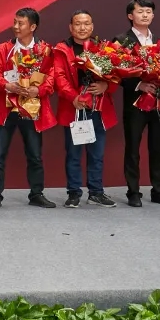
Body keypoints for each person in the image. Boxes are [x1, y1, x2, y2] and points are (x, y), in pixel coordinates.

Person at [0, 7, 58, 210]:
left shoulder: (45, 50)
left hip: (32, 109)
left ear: (32, 27)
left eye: (21, 23)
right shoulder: (4, 48)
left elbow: (52, 77)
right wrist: (7, 85)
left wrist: (38, 90)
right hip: (6, 109)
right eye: (14, 22)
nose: (15, 26)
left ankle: (36, 194)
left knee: (35, 155)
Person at [114, 0, 160, 207]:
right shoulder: (122, 41)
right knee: (133, 148)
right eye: (140, 11)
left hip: (159, 101)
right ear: (130, 15)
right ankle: (133, 192)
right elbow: (115, 72)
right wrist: (139, 85)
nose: (145, 15)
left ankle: (159, 191)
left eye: (149, 11)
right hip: (135, 103)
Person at [52, 11, 117, 209]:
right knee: (73, 154)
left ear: (92, 26)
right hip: (74, 108)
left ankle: (96, 192)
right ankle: (73, 193)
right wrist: (74, 97)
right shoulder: (62, 49)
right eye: (78, 24)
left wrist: (106, 86)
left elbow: (116, 75)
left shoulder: (104, 48)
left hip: (98, 108)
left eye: (86, 23)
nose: (82, 27)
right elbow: (59, 77)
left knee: (97, 154)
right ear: (71, 27)